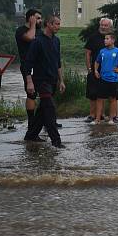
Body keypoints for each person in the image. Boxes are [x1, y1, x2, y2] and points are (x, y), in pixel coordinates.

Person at [23, 15, 66, 148]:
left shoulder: (56, 41)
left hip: (52, 80)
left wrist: (61, 81)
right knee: (49, 108)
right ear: (48, 24)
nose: (58, 27)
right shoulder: (37, 42)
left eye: (59, 24)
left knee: (42, 111)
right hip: (41, 81)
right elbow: (27, 63)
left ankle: (31, 135)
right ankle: (56, 142)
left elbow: (58, 63)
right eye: (56, 24)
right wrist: (29, 82)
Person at [83, 18, 118, 122]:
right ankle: (93, 115)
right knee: (93, 93)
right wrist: (89, 69)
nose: (103, 27)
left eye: (106, 25)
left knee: (113, 94)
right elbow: (87, 53)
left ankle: (114, 115)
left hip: (111, 71)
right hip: (95, 70)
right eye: (102, 25)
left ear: (110, 26)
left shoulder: (115, 38)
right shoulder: (93, 37)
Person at [93, 32, 118, 124]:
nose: (105, 40)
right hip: (103, 79)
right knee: (99, 98)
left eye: (107, 39)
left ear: (113, 40)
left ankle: (111, 119)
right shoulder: (102, 51)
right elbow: (97, 61)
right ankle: (97, 119)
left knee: (113, 99)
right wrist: (95, 70)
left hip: (114, 79)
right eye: (105, 39)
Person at [15, 8, 42, 136]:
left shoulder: (39, 31)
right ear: (30, 18)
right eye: (37, 18)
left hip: (40, 67)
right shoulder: (21, 31)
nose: (40, 20)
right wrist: (32, 26)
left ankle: (46, 121)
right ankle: (31, 122)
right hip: (27, 67)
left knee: (45, 93)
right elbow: (30, 38)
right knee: (31, 94)